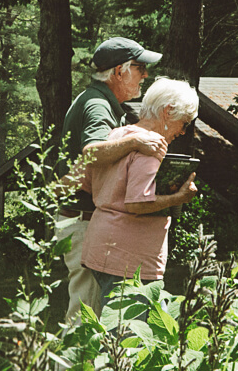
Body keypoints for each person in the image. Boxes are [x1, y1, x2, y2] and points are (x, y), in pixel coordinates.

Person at [59, 37, 167, 324]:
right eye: (140, 67)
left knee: (90, 315)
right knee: (85, 319)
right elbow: (92, 151)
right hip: (82, 221)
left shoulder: (98, 101)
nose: (145, 74)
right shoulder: (97, 105)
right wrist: (136, 141)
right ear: (120, 71)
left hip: (83, 220)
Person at [79, 78, 199, 314]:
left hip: (103, 247)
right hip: (128, 261)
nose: (183, 132)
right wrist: (179, 197)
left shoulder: (117, 135)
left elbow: (89, 183)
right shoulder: (152, 146)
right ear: (168, 111)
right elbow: (137, 203)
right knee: (128, 341)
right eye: (184, 123)